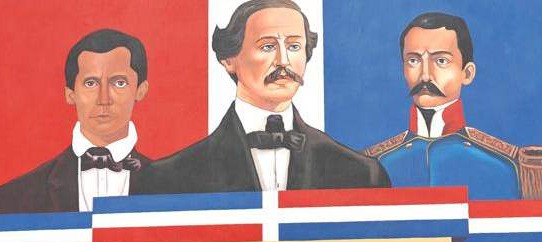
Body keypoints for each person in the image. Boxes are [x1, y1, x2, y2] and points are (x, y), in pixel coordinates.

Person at [134, 0, 388, 194]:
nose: (283, 61)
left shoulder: (362, 174)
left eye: (294, 46)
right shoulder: (167, 179)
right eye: (267, 46)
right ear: (229, 59)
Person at [363, 12, 542, 198]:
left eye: (441, 60)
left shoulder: (514, 166)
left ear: (467, 73)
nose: (424, 75)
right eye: (413, 60)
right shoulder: (372, 164)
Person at [0, 29, 153, 214]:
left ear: (141, 90)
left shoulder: (175, 188)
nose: (103, 99)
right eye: (91, 83)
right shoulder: (10, 200)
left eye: (119, 82)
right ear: (70, 94)